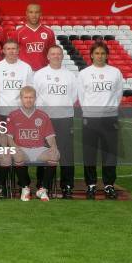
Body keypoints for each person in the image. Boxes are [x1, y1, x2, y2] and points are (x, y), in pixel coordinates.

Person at [77, 41, 123, 200]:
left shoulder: (115, 72)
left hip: (110, 119)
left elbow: (118, 94)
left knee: (109, 154)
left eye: (103, 53)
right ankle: (91, 185)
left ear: (107, 55)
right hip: (90, 118)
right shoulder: (84, 73)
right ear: (91, 55)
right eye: (97, 53)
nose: (100, 56)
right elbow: (81, 96)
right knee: (90, 154)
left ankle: (109, 185)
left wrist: (110, 109)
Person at [33, 45, 78, 199]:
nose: (56, 56)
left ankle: (67, 186)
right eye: (53, 53)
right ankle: (42, 184)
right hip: (45, 120)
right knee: (44, 152)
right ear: (48, 56)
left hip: (65, 118)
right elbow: (35, 96)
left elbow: (74, 96)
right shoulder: (39, 75)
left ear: (62, 56)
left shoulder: (70, 75)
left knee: (66, 154)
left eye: (59, 54)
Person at [5, 86, 59, 202]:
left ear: (35, 98)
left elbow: (50, 137)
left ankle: (42, 189)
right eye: (26, 97)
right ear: (21, 98)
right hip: (22, 149)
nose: (28, 100)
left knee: (55, 154)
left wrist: (54, 147)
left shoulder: (43, 115)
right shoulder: (13, 115)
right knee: (17, 154)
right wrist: (15, 148)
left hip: (39, 149)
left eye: (31, 97)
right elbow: (9, 138)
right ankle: (25, 188)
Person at [0, 40, 34, 118]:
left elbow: (30, 89)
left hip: (21, 110)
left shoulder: (26, 67)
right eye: (8, 49)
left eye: (13, 48)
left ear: (18, 50)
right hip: (2, 110)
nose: (11, 51)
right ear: (3, 51)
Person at [15, 3, 55, 71]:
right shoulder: (18, 33)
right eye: (31, 12)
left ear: (40, 14)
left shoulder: (49, 32)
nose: (34, 15)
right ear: (26, 13)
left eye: (37, 12)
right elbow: (13, 52)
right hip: (23, 71)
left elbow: (53, 53)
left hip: (43, 71)